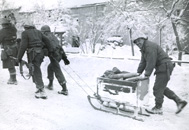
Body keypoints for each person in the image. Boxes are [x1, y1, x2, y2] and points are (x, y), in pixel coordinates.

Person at [133, 33, 187, 115]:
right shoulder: (144, 49)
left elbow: (151, 61)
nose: (138, 43)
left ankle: (158, 108)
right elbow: (143, 62)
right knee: (161, 87)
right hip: (163, 67)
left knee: (157, 88)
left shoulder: (149, 47)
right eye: (136, 42)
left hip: (164, 67)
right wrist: (138, 73)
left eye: (139, 41)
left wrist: (146, 74)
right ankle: (179, 101)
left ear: (144, 39)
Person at [17, 21, 53, 99]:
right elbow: (47, 40)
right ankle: (38, 87)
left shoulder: (25, 33)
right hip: (40, 53)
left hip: (32, 54)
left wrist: (19, 57)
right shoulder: (39, 32)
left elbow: (23, 46)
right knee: (35, 69)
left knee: (36, 70)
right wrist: (50, 51)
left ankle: (41, 89)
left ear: (26, 27)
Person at [40, 25, 70, 95]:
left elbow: (44, 48)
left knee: (57, 71)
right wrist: (64, 58)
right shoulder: (54, 37)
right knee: (50, 67)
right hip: (59, 55)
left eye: (42, 32)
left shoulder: (46, 37)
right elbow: (60, 47)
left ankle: (64, 89)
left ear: (44, 32)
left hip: (54, 56)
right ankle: (50, 84)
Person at [0, 18, 18, 85]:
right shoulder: (13, 29)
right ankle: (13, 78)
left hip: (8, 49)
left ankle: (13, 79)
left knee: (9, 64)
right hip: (15, 48)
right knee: (11, 63)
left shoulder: (2, 31)